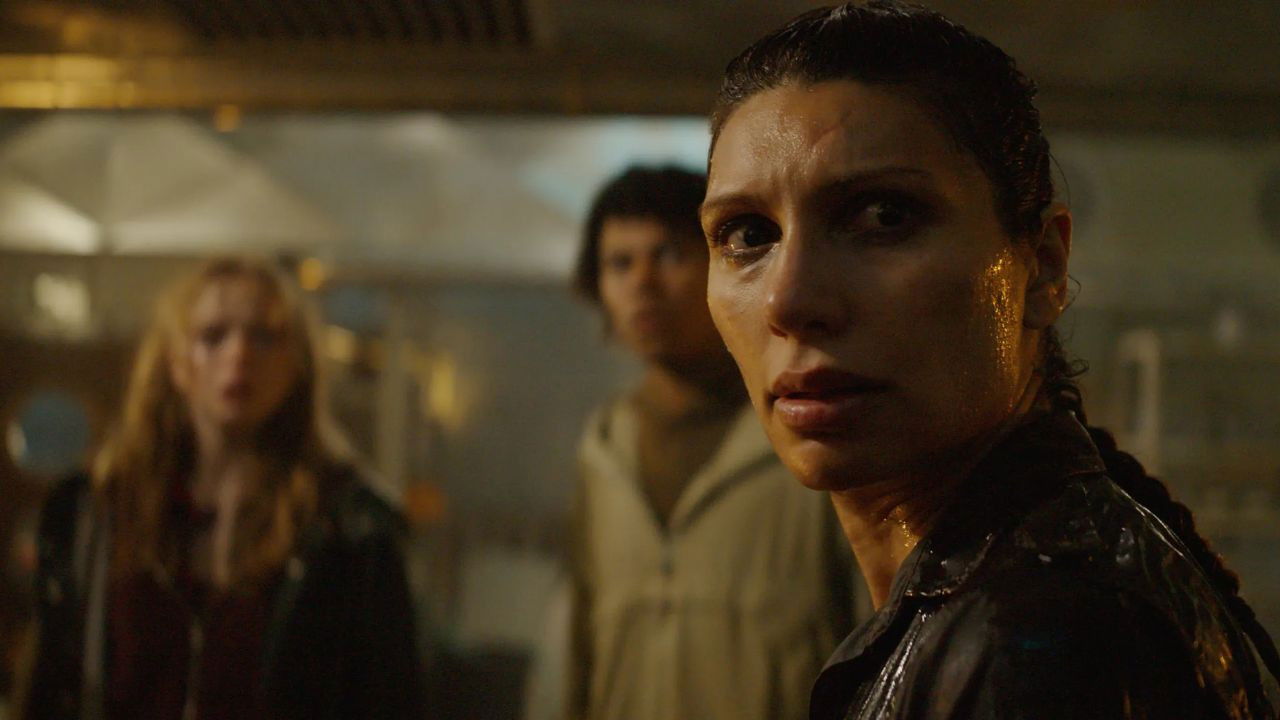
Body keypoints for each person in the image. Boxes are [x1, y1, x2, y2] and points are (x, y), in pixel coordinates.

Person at [701, 3, 1280, 718]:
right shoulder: (1032, 584)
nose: (789, 300)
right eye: (748, 234)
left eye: (884, 216)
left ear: (1042, 267)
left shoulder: (1040, 641)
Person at [19, 257, 423, 720]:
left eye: (264, 336)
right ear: (176, 362)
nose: (239, 355)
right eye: (212, 336)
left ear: (295, 364)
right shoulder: (99, 512)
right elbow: (52, 684)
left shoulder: (349, 531)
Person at [567, 166, 860, 720]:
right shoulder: (603, 451)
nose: (642, 283)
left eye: (669, 254)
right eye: (620, 263)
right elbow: (580, 647)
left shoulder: (805, 434)